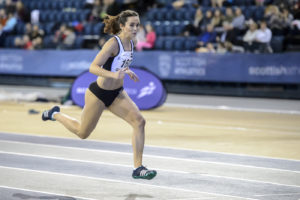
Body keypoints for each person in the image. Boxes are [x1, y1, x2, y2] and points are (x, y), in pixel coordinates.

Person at [41, 10, 157, 180]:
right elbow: (93, 68)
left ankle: (138, 168)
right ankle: (55, 114)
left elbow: (117, 63)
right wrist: (114, 75)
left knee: (139, 122)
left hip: (117, 93)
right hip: (99, 94)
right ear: (122, 26)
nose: (135, 28)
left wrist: (126, 70)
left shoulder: (133, 41)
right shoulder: (112, 43)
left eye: (137, 25)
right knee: (82, 132)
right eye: (131, 25)